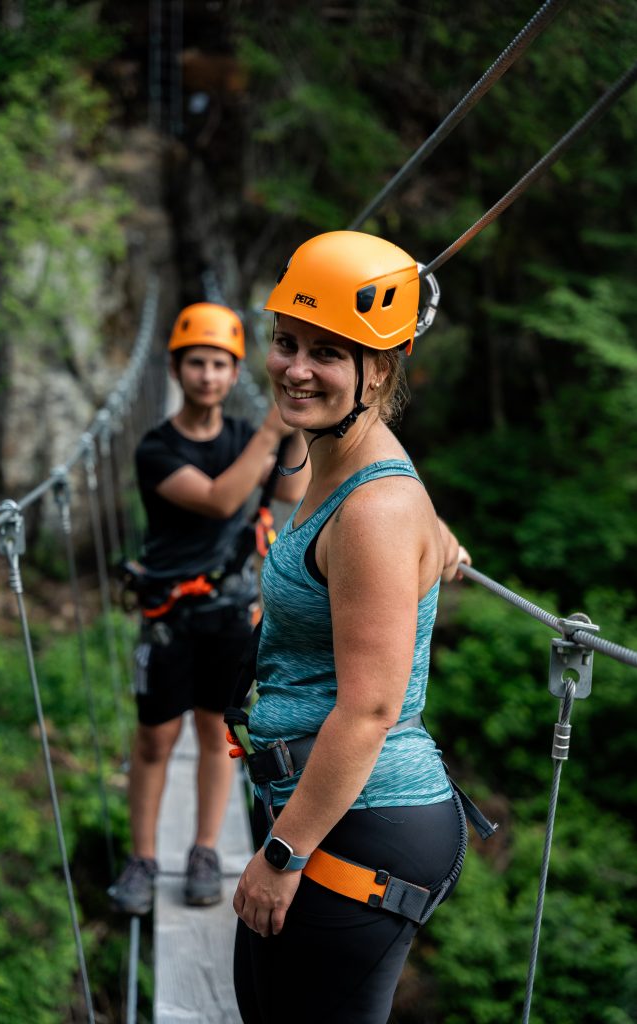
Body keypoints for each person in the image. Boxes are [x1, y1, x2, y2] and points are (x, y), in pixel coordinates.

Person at [230, 232, 474, 1023]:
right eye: (286, 342)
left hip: (360, 825)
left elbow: (369, 709)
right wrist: (432, 539)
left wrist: (281, 853)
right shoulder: (342, 464)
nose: (295, 368)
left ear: (381, 370)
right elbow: (404, 530)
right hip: (331, 811)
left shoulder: (373, 506)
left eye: (327, 353)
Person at [108, 301, 306, 915]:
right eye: (197, 363)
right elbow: (222, 501)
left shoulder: (248, 438)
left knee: (218, 733)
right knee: (154, 739)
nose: (209, 376)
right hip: (169, 617)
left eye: (222, 364)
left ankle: (201, 851)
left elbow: (292, 490)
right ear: (176, 368)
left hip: (229, 612)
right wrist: (276, 428)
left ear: (232, 370)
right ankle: (143, 857)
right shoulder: (156, 448)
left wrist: (294, 423)